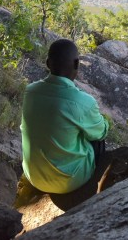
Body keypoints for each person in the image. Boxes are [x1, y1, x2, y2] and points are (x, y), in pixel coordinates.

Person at [20, 38, 108, 194]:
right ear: (76, 64)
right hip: (67, 182)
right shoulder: (84, 102)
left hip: (33, 176)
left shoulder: (30, 91)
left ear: (48, 63)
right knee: (97, 139)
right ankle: (92, 189)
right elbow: (101, 132)